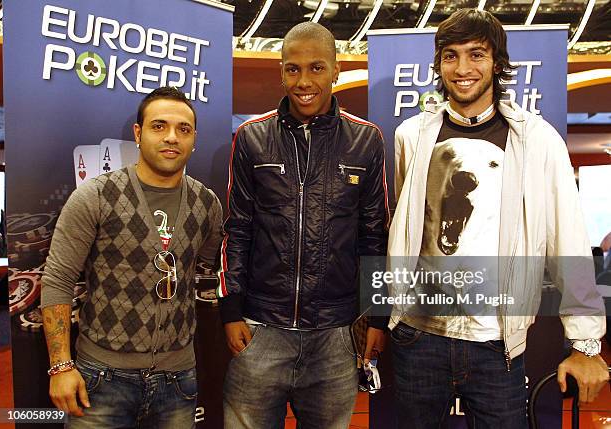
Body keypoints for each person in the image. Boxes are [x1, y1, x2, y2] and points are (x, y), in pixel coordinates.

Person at [387, 9, 608, 428]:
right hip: (418, 335)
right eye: (450, 56)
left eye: (477, 55)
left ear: (498, 63)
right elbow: (406, 225)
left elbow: (569, 242)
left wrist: (586, 344)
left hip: (497, 343)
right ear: (438, 65)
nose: (463, 68)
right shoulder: (411, 136)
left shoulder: (537, 140)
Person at [218, 22, 389, 429]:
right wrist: (230, 310)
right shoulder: (251, 137)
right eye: (292, 69)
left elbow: (374, 236)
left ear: (335, 71)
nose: (304, 81)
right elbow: (237, 228)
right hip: (260, 329)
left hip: (336, 334)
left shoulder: (367, 141)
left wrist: (378, 316)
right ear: (281, 73)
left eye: (316, 68)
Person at [41, 86, 223, 428]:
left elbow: (211, 266)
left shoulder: (207, 204)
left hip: (178, 380)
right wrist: (61, 365)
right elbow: (58, 280)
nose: (171, 137)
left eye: (183, 129)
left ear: (194, 139)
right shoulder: (95, 196)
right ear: (138, 133)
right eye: (159, 126)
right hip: (101, 379)